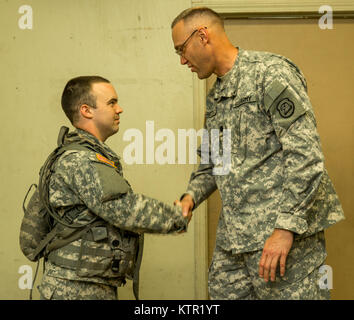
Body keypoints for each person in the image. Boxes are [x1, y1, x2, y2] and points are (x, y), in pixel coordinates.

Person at [171, 7, 345, 300]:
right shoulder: (217, 96)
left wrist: (285, 229)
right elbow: (213, 162)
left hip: (282, 239)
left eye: (182, 49)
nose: (182, 60)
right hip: (236, 240)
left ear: (202, 36)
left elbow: (306, 156)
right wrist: (190, 198)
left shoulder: (270, 74)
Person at [21, 76, 187, 300]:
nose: (119, 109)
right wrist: (176, 217)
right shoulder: (83, 160)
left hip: (78, 285)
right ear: (87, 110)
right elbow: (123, 208)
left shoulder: (77, 154)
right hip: (77, 290)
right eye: (111, 103)